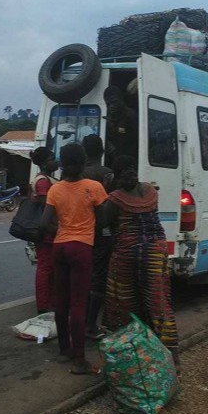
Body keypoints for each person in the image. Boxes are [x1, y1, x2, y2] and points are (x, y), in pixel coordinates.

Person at [102, 155, 180, 369]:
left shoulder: (115, 199)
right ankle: (171, 361)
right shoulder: (150, 192)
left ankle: (132, 358)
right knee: (158, 302)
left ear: (114, 175)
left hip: (128, 253)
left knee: (124, 302)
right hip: (156, 250)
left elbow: (101, 223)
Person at [38, 143, 108, 375]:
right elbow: (104, 219)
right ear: (84, 160)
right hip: (81, 247)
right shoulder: (94, 187)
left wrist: (61, 228)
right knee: (79, 303)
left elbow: (44, 223)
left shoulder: (55, 189)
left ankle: (65, 349)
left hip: (60, 246)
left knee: (62, 300)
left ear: (62, 163)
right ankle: (80, 360)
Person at [81, 134, 114, 338]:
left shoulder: (76, 174)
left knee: (81, 278)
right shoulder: (106, 174)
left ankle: (79, 321)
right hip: (100, 232)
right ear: (102, 151)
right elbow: (107, 206)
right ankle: (91, 325)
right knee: (98, 278)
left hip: (79, 231)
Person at [28, 147, 59, 314]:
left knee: (49, 267)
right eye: (53, 158)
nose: (56, 161)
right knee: (45, 267)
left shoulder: (44, 178)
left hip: (47, 230)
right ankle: (44, 304)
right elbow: (46, 207)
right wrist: (55, 227)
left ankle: (50, 301)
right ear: (45, 162)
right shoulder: (43, 181)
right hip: (46, 231)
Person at [104, 85, 138, 163]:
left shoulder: (131, 116)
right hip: (115, 160)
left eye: (114, 102)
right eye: (108, 104)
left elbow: (136, 142)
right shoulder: (109, 117)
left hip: (129, 161)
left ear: (121, 99)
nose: (111, 106)